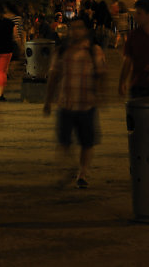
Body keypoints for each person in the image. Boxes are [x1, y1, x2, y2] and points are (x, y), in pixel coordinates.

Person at [43, 19, 106, 188]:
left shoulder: (94, 51)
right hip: (66, 103)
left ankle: (82, 174)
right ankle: (71, 167)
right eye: (73, 28)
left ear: (86, 30)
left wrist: (102, 95)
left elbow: (101, 74)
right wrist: (48, 101)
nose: (76, 31)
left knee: (87, 142)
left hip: (87, 104)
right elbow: (53, 76)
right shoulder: (62, 50)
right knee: (63, 142)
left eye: (79, 28)